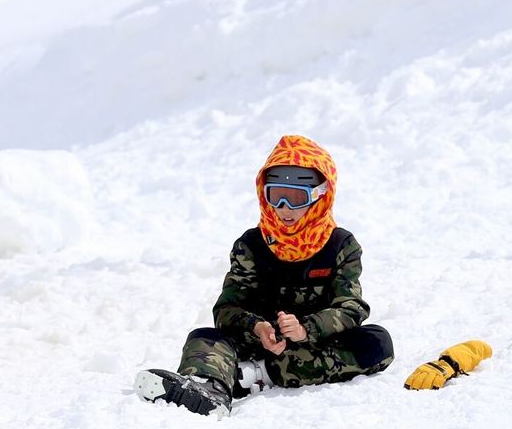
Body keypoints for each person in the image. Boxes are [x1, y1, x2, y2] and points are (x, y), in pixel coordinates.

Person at [135, 135, 395, 417]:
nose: (284, 208)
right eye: (275, 196)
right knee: (205, 336)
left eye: (296, 198)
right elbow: (226, 309)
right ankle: (207, 386)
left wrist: (307, 328)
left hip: (314, 343)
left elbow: (351, 307)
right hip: (256, 341)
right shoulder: (251, 245)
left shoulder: (340, 246)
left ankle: (248, 376)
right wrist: (256, 327)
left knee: (376, 342)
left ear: (321, 195)